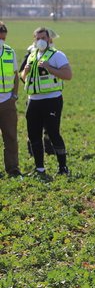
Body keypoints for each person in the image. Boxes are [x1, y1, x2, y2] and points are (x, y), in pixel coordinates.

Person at [20, 27, 72, 176]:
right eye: (38, 38)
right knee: (34, 135)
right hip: (33, 101)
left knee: (53, 134)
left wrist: (50, 68)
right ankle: (39, 168)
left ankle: (63, 168)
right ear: (34, 40)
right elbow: (24, 78)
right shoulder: (31, 55)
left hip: (51, 100)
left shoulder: (57, 55)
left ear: (49, 39)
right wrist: (25, 72)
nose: (41, 41)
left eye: (43, 38)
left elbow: (68, 75)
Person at [0, 22, 21, 176]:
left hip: (7, 101)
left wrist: (14, 95)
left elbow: (15, 75)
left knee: (11, 136)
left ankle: (13, 168)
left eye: (4, 34)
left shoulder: (9, 52)